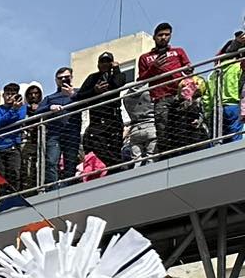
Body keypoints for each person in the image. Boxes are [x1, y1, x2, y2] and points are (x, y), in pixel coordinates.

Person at [138, 21, 196, 158]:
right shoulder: (145, 58)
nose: (163, 38)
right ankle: (166, 159)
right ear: (154, 37)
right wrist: (154, 68)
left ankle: (182, 157)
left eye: (166, 35)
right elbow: (141, 80)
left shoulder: (178, 51)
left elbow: (189, 69)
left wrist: (188, 69)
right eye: (160, 35)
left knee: (181, 128)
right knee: (162, 130)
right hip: (160, 98)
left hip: (179, 95)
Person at [77, 53, 126, 171]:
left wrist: (116, 68)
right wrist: (94, 91)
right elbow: (80, 96)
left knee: (114, 150)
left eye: (107, 62)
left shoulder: (116, 75)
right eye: (102, 62)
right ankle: (107, 172)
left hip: (113, 120)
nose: (105, 64)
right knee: (98, 149)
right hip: (97, 121)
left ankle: (116, 172)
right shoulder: (92, 78)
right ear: (98, 64)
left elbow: (119, 83)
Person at [37, 66, 82, 188]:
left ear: (71, 78)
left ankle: (69, 187)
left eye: (66, 77)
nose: (63, 80)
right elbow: (37, 111)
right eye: (60, 78)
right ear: (56, 80)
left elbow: (87, 101)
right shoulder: (50, 98)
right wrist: (49, 108)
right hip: (54, 134)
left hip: (72, 132)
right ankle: (53, 189)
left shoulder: (78, 93)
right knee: (51, 161)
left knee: (71, 162)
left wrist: (73, 94)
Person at [0, 82, 29, 192]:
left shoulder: (22, 108)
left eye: (13, 94)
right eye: (8, 93)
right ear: (3, 95)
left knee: (14, 173)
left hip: (13, 145)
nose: (10, 96)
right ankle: (4, 199)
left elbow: (19, 119)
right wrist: (12, 111)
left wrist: (13, 110)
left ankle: (15, 197)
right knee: (1, 176)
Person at [122, 71, 157, 167]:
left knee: (136, 160)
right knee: (151, 157)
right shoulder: (150, 90)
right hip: (151, 126)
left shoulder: (126, 96)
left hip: (135, 130)